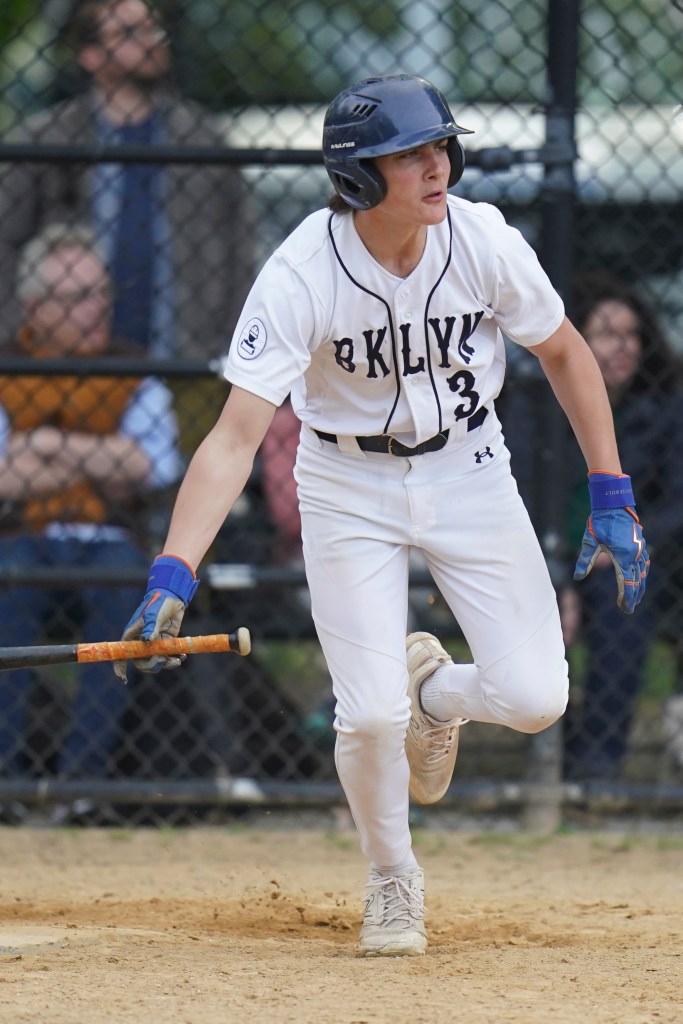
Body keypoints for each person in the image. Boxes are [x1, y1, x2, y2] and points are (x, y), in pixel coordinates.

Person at [113, 75, 649, 957]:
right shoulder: (302, 271)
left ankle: (433, 694)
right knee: (366, 717)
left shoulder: (479, 238)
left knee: (534, 697)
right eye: (409, 155)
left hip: (469, 468)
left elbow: (562, 349)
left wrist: (609, 488)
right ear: (357, 176)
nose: (437, 166)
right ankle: (392, 877)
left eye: (440, 147)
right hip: (346, 484)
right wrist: (174, 571)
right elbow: (234, 437)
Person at [0, 223, 181, 823]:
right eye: (77, 297)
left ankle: (83, 786)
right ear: (36, 307)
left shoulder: (131, 368)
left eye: (101, 293)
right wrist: (102, 458)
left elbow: (153, 464)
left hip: (108, 541)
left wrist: (47, 444)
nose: (96, 308)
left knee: (121, 587)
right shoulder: (9, 368)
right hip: (23, 540)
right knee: (9, 584)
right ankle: (8, 782)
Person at [0, 0, 253, 358]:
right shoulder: (47, 139)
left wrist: (232, 346)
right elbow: (6, 238)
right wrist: (15, 338)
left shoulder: (203, 138)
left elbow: (241, 250)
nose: (150, 41)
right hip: (69, 361)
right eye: (129, 32)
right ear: (90, 55)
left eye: (154, 28)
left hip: (186, 355)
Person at [557, 273, 683, 780]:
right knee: (545, 605)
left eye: (631, 334)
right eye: (607, 334)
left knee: (624, 593)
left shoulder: (664, 409)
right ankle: (553, 754)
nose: (623, 346)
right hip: (551, 555)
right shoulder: (541, 405)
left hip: (642, 562)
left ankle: (597, 764)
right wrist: (558, 572)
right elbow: (523, 499)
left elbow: (677, 503)